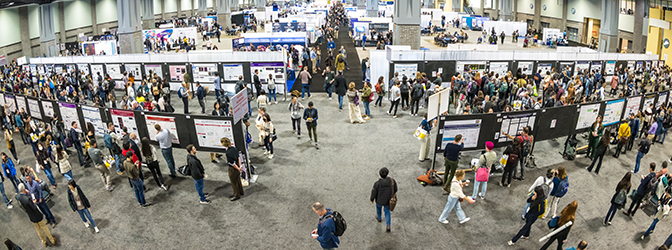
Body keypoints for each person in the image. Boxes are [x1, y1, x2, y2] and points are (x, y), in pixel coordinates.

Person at [370, 167, 397, 232]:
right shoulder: (392, 181)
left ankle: (379, 218)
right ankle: (388, 226)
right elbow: (395, 189)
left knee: (378, 209)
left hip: (379, 200)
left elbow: (374, 192)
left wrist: (372, 199)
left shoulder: (377, 183)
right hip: (388, 201)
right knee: (387, 212)